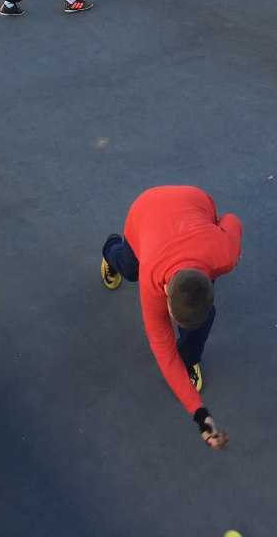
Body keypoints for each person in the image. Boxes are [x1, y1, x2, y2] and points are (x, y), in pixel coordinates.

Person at [99, 186, 242, 451]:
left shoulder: (226, 254)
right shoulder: (151, 283)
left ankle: (190, 356)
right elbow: (164, 352)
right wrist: (198, 412)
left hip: (194, 200)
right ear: (164, 294)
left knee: (204, 318)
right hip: (145, 210)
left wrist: (214, 228)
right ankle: (110, 249)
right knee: (131, 269)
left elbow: (231, 220)